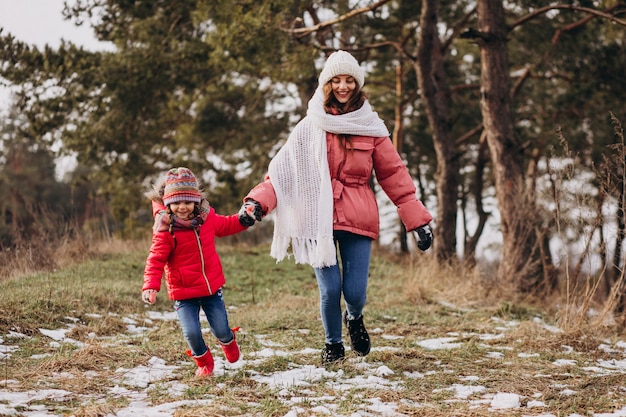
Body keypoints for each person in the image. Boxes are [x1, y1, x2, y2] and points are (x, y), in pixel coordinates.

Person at [239, 50, 434, 364]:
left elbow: (394, 173)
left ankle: (354, 317)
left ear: (357, 85)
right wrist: (256, 203)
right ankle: (333, 345)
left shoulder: (371, 127)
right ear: (327, 84)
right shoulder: (309, 127)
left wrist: (417, 220)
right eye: (336, 80)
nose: (343, 86)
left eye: (349, 80)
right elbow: (283, 173)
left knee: (354, 292)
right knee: (330, 290)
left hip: (359, 216)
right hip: (318, 219)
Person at [142, 167, 256, 378]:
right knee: (192, 333)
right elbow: (156, 258)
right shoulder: (165, 228)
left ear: (196, 200)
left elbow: (226, 225)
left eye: (186, 202)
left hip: (210, 288)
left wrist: (244, 219)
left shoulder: (207, 218)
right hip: (183, 293)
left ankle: (228, 341)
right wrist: (150, 285)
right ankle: (204, 362)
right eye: (176, 203)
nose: (182, 207)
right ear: (167, 203)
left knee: (221, 328)